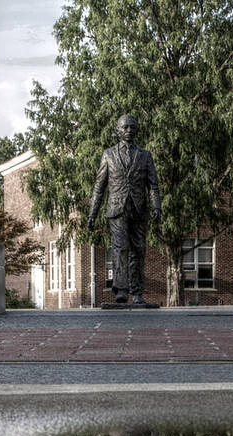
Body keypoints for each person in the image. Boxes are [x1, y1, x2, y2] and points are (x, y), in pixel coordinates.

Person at [88, 114, 161, 305]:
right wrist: (92, 214)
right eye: (125, 127)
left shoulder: (145, 155)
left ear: (137, 130)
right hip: (116, 209)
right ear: (118, 130)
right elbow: (99, 186)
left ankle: (137, 292)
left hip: (138, 209)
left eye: (132, 127)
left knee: (138, 250)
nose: (129, 131)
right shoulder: (108, 154)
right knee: (120, 248)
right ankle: (121, 290)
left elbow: (153, 185)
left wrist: (156, 206)